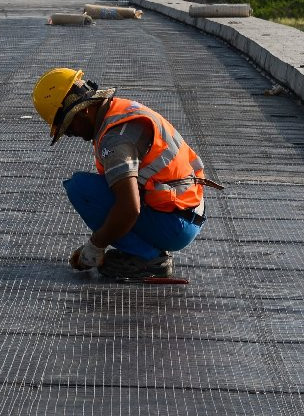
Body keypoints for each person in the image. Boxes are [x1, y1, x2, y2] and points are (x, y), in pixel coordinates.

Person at [31, 68, 221, 279]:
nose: (69, 134)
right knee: (107, 187)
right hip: (185, 212)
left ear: (83, 110)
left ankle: (149, 259)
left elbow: (129, 208)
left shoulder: (115, 140)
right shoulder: (119, 111)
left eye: (68, 126)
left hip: (175, 224)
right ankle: (148, 250)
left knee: (82, 188)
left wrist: (95, 246)